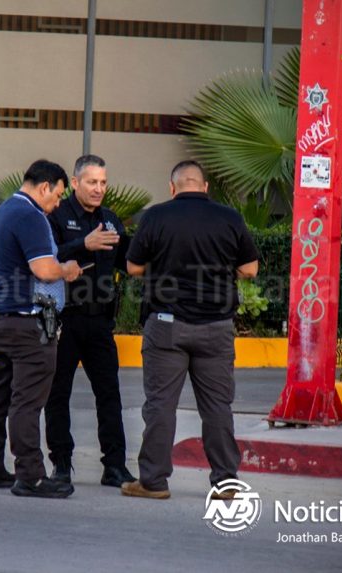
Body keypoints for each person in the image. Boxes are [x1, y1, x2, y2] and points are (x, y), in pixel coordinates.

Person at [120, 160, 259, 500]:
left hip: (166, 326)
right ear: (205, 187)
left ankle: (153, 482)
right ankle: (226, 483)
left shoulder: (155, 217)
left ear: (172, 187)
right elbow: (250, 269)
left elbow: (134, 267)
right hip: (217, 327)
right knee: (217, 407)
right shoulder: (229, 217)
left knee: (160, 405)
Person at [0, 159, 83, 499]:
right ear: (44, 187)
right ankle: (31, 476)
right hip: (27, 324)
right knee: (27, 402)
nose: (58, 203)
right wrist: (66, 269)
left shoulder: (1, 213)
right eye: (58, 194)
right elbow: (45, 269)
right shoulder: (31, 216)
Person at [45, 154, 136, 488]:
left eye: (103, 182)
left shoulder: (111, 221)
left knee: (109, 395)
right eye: (92, 182)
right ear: (74, 183)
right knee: (58, 395)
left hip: (100, 323)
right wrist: (83, 244)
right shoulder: (56, 215)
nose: (99, 189)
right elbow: (48, 257)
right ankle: (62, 464)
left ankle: (114, 466)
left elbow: (129, 262)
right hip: (65, 321)